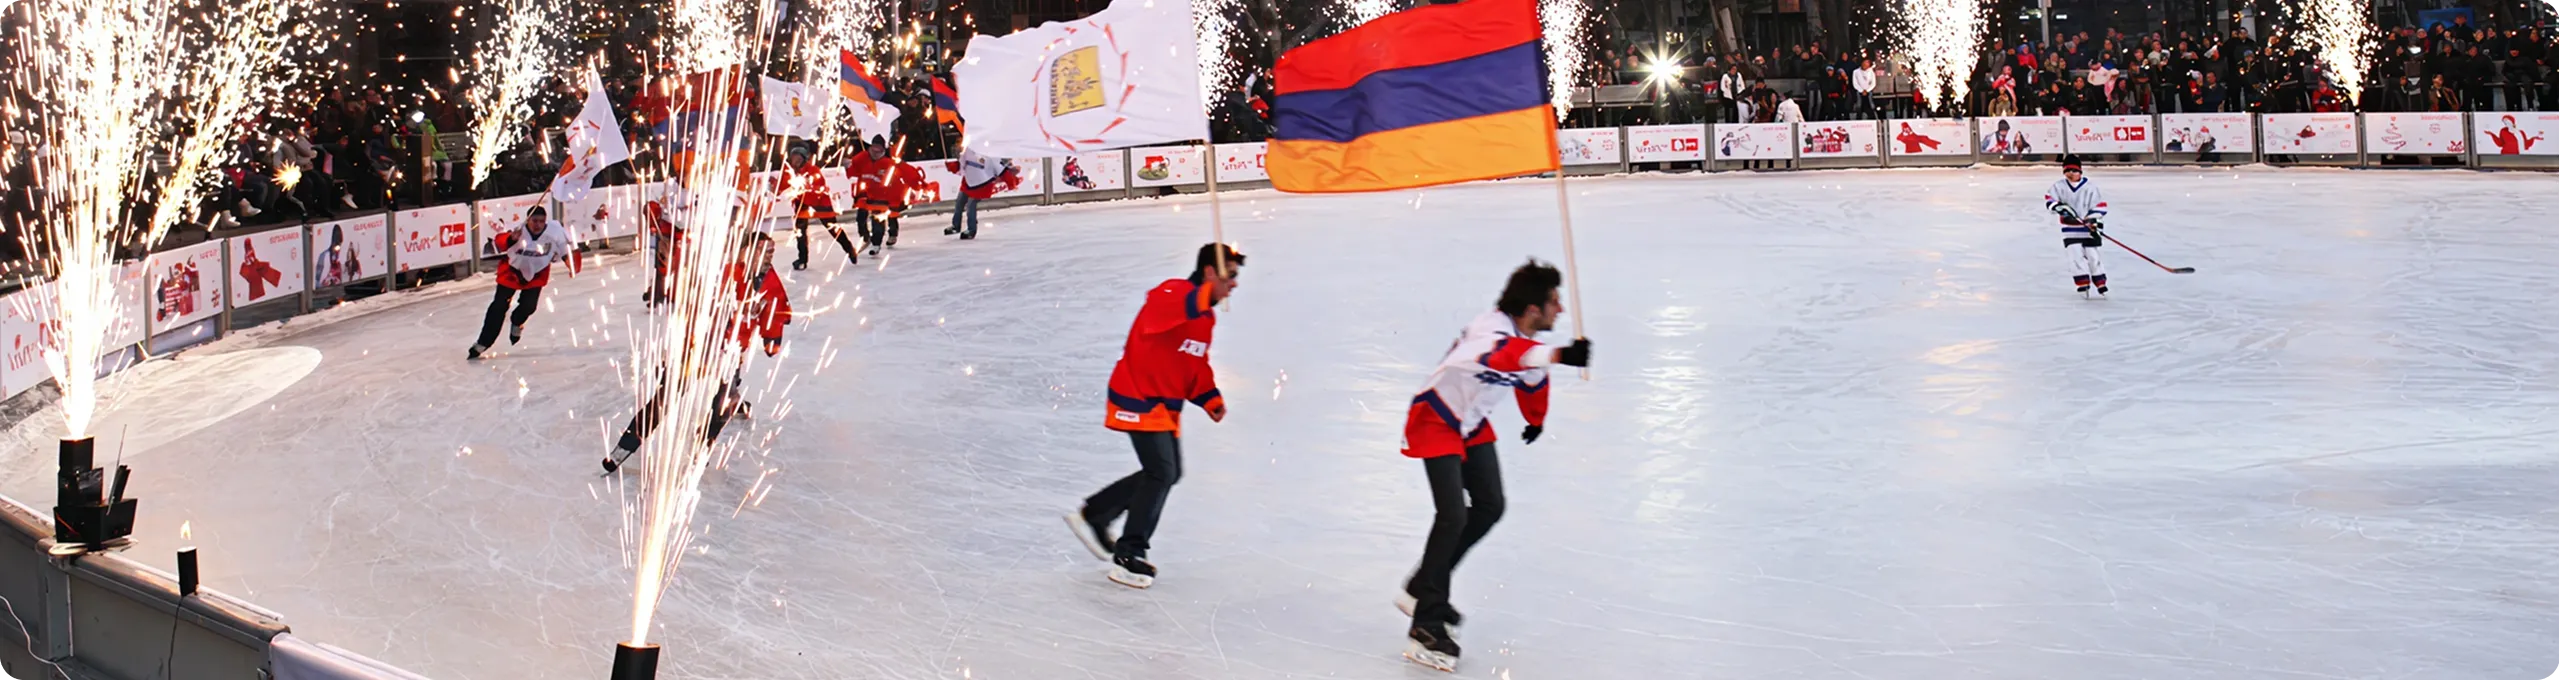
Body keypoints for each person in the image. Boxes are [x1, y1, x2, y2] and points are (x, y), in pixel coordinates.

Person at [1394, 261, 1593, 672]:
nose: (1560, 310)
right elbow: (1504, 356)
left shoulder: (1527, 342)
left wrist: (1535, 419)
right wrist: (1559, 352)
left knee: (1490, 506)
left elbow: (1532, 376)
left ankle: (1424, 584)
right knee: (1450, 516)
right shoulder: (1492, 330)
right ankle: (1426, 622)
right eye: (1554, 302)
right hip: (1436, 416)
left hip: (1470, 422)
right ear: (1533, 308)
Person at [1064, 243, 1246, 590]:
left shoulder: (1205, 317)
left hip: (1163, 407)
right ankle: (1128, 554)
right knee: (1162, 471)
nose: (1235, 285)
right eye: (1231, 276)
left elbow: (1192, 364)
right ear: (1210, 272)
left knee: (1168, 472)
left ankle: (1098, 513)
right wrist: (1207, 294)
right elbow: (1170, 308)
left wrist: (1209, 398)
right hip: (1137, 397)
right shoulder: (1172, 292)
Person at [604, 234, 792, 472]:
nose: (769, 257)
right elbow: (692, 306)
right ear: (747, 251)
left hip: (731, 354)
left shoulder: (771, 283)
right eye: (765, 251)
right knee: (666, 398)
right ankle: (624, 447)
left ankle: (701, 447)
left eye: (772, 252)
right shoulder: (723, 275)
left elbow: (776, 313)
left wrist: (772, 339)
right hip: (699, 349)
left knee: (726, 403)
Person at [470, 206, 575, 359]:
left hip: (536, 274)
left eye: (541, 221)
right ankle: (483, 342)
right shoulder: (518, 229)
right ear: (528, 220)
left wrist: (570, 264)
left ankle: (517, 321)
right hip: (512, 273)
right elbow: (500, 241)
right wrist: (511, 238)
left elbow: (564, 248)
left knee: (529, 306)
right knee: (498, 307)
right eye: (534, 221)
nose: (538, 225)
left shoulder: (554, 232)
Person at [2043, 155, 2110, 298]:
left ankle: (2100, 281)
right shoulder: (2059, 186)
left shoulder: (2090, 188)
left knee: (2093, 256)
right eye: (2067, 170)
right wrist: (2058, 207)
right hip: (2070, 229)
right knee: (2075, 255)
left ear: (2080, 171)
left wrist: (2092, 220)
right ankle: (2082, 281)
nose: (2070, 173)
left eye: (2073, 170)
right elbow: (2049, 199)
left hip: (2088, 230)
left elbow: (2100, 206)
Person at [784, 148, 859, 270]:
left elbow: (818, 188)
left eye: (798, 158)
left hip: (820, 204)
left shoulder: (813, 170)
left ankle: (849, 249)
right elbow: (784, 185)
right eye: (793, 158)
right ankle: (802, 260)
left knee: (833, 229)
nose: (795, 161)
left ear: (804, 159)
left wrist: (803, 188)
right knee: (800, 233)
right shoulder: (789, 171)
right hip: (802, 204)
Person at [853, 141, 928, 255]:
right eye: (874, 148)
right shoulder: (865, 161)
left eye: (878, 149)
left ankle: (886, 237)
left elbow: (906, 173)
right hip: (870, 196)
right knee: (869, 217)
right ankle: (869, 239)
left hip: (888, 196)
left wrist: (917, 185)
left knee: (889, 216)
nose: (875, 152)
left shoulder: (890, 163)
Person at [949, 148, 1020, 240]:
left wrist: (1011, 184)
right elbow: (961, 166)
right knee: (959, 202)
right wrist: (953, 167)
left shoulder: (991, 154)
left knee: (971, 205)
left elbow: (1002, 171)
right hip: (968, 183)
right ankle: (956, 226)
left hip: (982, 185)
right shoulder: (968, 150)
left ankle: (971, 230)